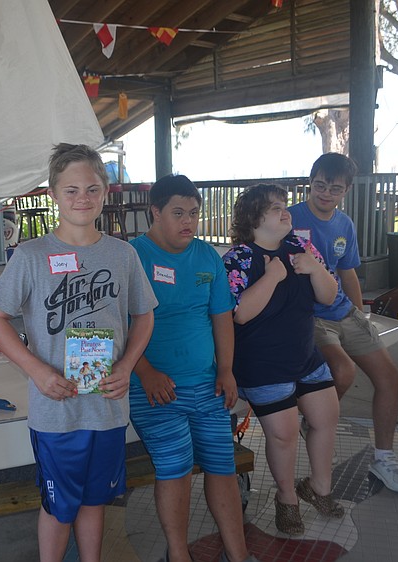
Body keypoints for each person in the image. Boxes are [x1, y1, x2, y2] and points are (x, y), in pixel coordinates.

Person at [0, 143, 156, 562]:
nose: (83, 198)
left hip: (108, 407)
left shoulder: (123, 254)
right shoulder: (30, 256)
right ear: (52, 195)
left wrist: (128, 364)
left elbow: (144, 316)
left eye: (92, 189)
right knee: (59, 506)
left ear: (106, 191)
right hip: (56, 409)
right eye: (72, 190)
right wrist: (37, 372)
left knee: (96, 500)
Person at [129, 175, 257, 562]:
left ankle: (237, 554)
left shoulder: (206, 257)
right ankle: (178, 554)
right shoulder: (133, 256)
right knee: (176, 462)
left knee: (222, 461)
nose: (188, 221)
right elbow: (119, 326)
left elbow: (221, 317)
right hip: (153, 387)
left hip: (206, 384)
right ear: (156, 212)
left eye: (194, 213)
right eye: (178, 213)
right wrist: (145, 372)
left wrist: (227, 370)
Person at [289, 152, 398, 493]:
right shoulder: (288, 219)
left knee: (390, 378)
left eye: (335, 188)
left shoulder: (345, 225)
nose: (326, 193)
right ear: (310, 182)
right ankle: (312, 418)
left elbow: (349, 273)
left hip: (343, 311)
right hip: (309, 316)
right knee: (343, 372)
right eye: (320, 185)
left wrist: (360, 315)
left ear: (346, 191)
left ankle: (384, 458)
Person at [223, 184, 343, 536]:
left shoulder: (300, 248)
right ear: (254, 219)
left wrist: (315, 269)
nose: (284, 211)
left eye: (284, 205)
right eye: (274, 207)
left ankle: (319, 488)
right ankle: (287, 497)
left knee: (326, 415)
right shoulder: (239, 258)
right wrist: (274, 276)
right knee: (285, 433)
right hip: (263, 364)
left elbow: (329, 295)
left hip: (304, 355)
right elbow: (239, 313)